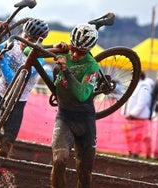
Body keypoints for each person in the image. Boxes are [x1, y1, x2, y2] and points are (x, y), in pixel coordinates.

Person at [0, 18, 51, 157]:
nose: (25, 41)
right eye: (25, 36)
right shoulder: (12, 44)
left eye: (31, 40)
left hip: (17, 104)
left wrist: (2, 60)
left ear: (38, 42)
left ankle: (2, 140)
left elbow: (14, 81)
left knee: (3, 152)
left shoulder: (38, 59)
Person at [50, 23, 99, 188]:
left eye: (81, 52)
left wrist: (66, 70)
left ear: (89, 50)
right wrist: (53, 47)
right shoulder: (65, 51)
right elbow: (30, 52)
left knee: (84, 173)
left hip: (85, 120)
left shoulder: (92, 66)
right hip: (65, 116)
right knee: (59, 160)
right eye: (73, 48)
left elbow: (82, 95)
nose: (75, 54)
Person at [121, 71, 154, 159]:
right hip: (130, 117)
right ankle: (131, 151)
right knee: (130, 136)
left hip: (139, 117)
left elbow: (142, 102)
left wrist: (133, 113)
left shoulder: (144, 86)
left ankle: (136, 153)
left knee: (138, 136)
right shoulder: (132, 85)